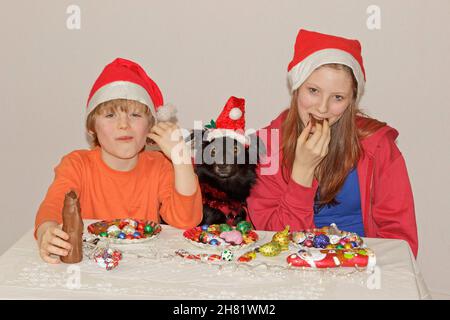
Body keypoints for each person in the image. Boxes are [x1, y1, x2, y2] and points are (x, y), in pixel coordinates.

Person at [247, 29, 418, 256]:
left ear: (351, 100)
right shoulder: (266, 145)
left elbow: (399, 241)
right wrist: (302, 172)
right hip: (291, 268)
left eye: (337, 97)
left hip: (362, 269)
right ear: (296, 88)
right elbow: (272, 243)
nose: (322, 108)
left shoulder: (378, 146)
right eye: (313, 91)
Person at [35, 58, 202, 263]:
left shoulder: (159, 165)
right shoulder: (77, 164)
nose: (124, 125)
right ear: (91, 128)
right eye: (110, 115)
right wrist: (47, 231)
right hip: (90, 269)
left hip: (143, 269)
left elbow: (186, 220)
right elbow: (52, 208)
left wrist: (181, 159)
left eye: (135, 114)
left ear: (150, 126)